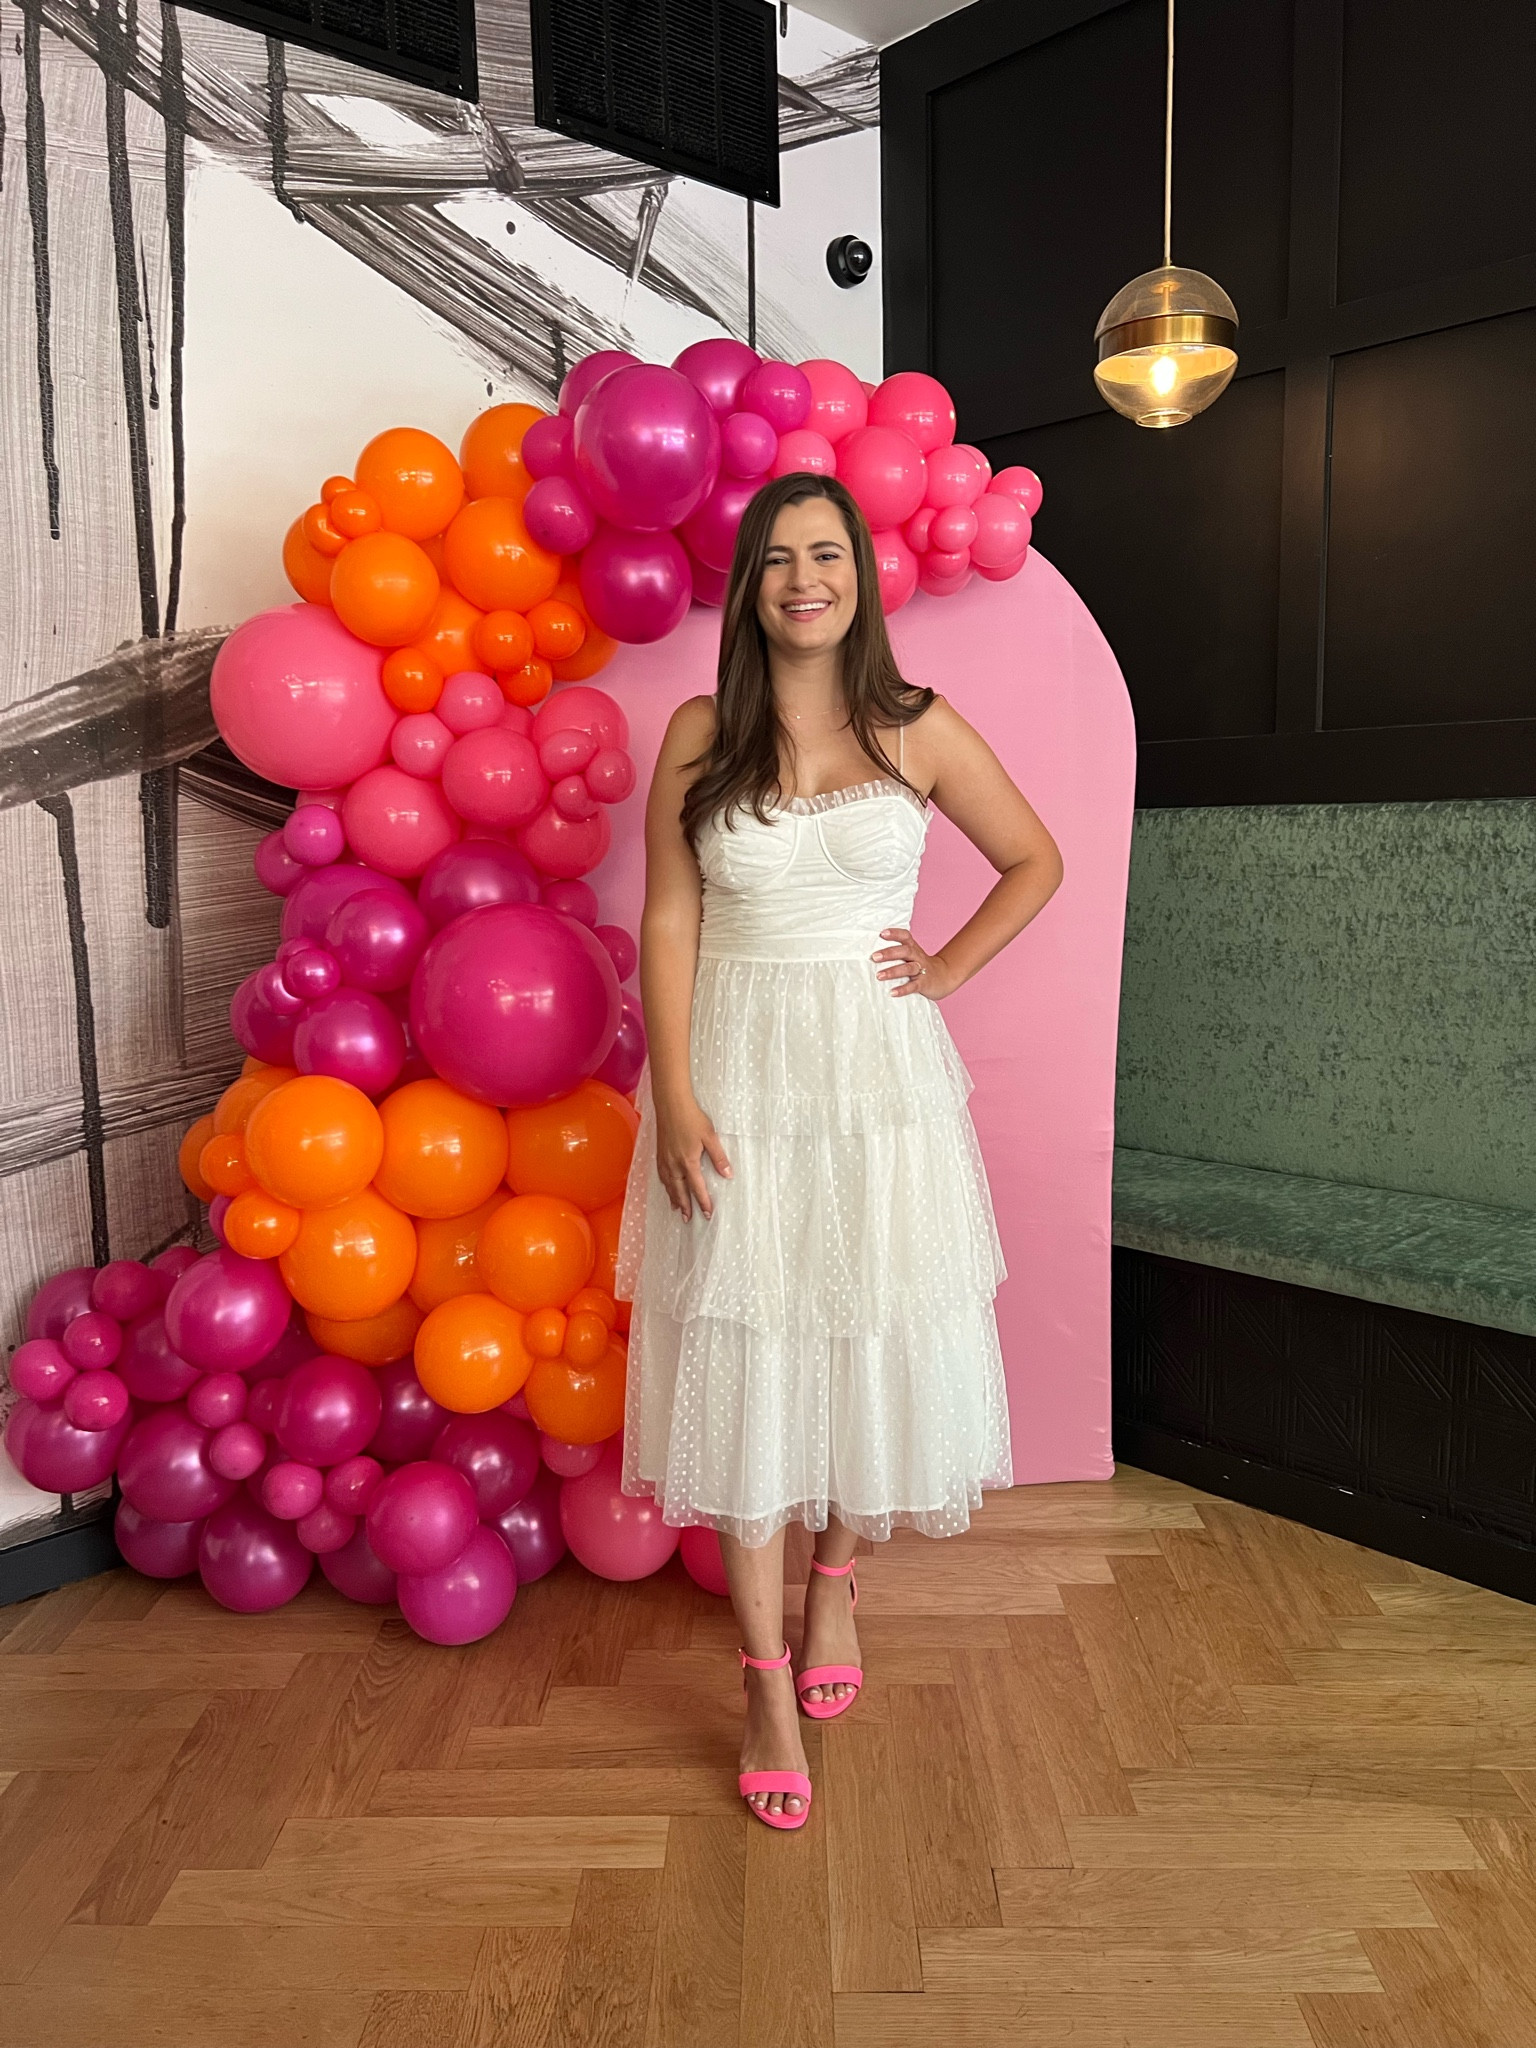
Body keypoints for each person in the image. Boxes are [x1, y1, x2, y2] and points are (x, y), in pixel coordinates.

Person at [614, 471, 1063, 1829]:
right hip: (735, 1080)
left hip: (877, 1084)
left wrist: (946, 969)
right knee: (744, 1349)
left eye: (827, 554)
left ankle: (834, 1584)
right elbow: (671, 919)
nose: (804, 579)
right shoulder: (701, 731)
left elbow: (1034, 859)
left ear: (860, 576)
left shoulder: (916, 723)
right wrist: (675, 1093)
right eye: (776, 559)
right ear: (749, 588)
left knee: (872, 1325)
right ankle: (761, 1682)